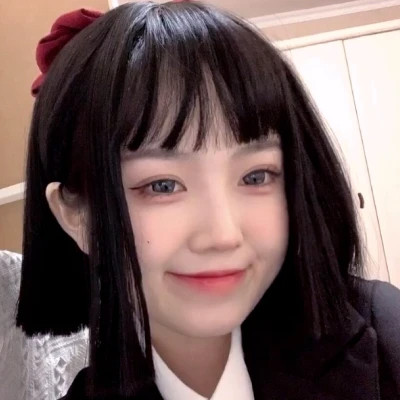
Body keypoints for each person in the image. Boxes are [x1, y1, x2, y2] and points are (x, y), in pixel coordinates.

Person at [15, 2, 400, 399]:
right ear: (76, 214)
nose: (223, 235)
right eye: (162, 185)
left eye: (256, 176)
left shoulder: (386, 333)